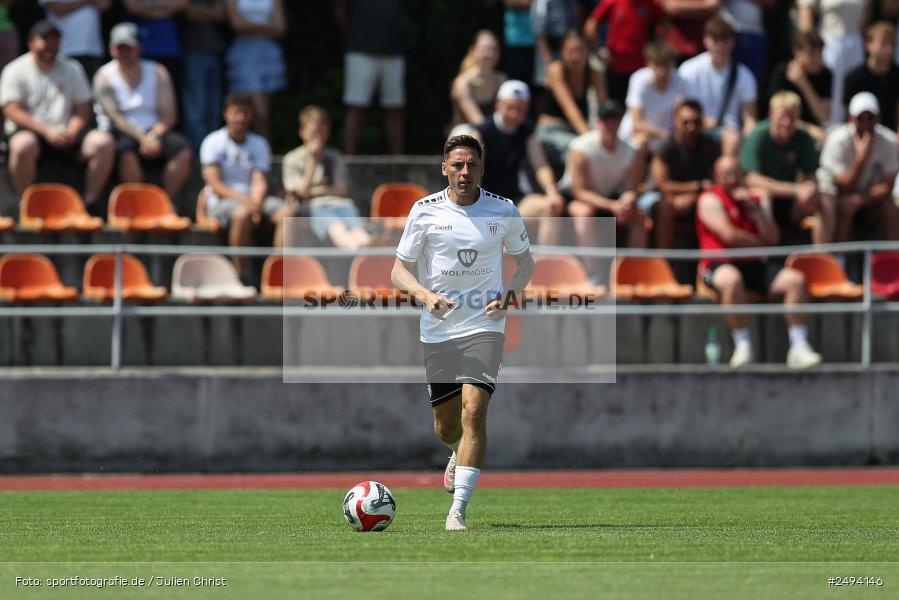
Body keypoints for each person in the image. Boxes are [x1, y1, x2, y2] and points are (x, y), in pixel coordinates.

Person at [390, 134, 535, 531]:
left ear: (482, 169)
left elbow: (525, 264)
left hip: (484, 326)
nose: (464, 172)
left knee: (475, 411)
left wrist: (509, 297)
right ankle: (456, 452)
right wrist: (423, 295)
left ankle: (458, 510)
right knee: (447, 427)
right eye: (457, 165)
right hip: (438, 329)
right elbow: (398, 271)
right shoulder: (423, 211)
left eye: (471, 164)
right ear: (445, 169)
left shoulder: (503, 210)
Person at [696, 155, 823, 369]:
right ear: (717, 177)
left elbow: (773, 237)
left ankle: (799, 346)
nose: (733, 179)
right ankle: (743, 346)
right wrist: (760, 244)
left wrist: (755, 210)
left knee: (796, 281)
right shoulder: (709, 199)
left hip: (754, 264)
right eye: (727, 175)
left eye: (737, 174)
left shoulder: (757, 199)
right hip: (719, 264)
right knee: (731, 279)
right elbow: (729, 236)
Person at [0, 20, 115, 210]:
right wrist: (46, 131)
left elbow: (83, 108)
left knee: (103, 142)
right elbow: (12, 110)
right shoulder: (15, 70)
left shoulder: (73, 68)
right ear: (30, 43)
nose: (50, 46)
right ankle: (26, 204)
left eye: (55, 40)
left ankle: (89, 203)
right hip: (32, 132)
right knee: (22, 145)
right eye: (45, 40)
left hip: (68, 133)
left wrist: (72, 130)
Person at [93, 23, 193, 200]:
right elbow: (114, 117)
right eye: (120, 48)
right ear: (111, 50)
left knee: (183, 150)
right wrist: (142, 138)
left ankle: (165, 202)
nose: (124, 53)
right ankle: (140, 204)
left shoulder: (158, 71)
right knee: (126, 153)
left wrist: (154, 135)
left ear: (139, 48)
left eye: (129, 48)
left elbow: (170, 114)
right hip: (122, 131)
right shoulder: (104, 76)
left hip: (155, 130)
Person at [200, 93, 291, 275]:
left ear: (251, 115)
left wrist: (256, 204)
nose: (240, 118)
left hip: (254, 200)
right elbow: (215, 185)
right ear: (226, 114)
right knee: (241, 215)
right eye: (236, 113)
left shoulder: (259, 144)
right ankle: (240, 274)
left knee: (287, 213)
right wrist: (249, 204)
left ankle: (278, 274)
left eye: (245, 113)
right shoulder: (212, 142)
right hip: (222, 203)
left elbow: (259, 181)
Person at [474, 80, 567, 244]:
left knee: (550, 207)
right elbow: (474, 172)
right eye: (511, 107)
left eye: (521, 108)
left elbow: (541, 165)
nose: (515, 113)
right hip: (485, 201)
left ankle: (545, 264)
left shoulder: (528, 131)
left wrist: (552, 191)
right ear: (498, 104)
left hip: (514, 201)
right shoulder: (481, 132)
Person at [740, 91, 835, 245]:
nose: (787, 123)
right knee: (761, 195)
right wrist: (795, 190)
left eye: (792, 117)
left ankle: (821, 257)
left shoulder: (802, 136)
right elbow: (752, 179)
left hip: (792, 203)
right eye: (782, 117)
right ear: (771, 114)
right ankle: (768, 252)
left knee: (824, 199)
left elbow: (811, 174)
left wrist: (810, 189)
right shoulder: (757, 135)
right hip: (766, 201)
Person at [558, 99, 648, 252]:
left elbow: (631, 188)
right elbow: (579, 192)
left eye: (614, 120)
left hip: (612, 200)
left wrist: (627, 201)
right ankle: (591, 271)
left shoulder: (633, 150)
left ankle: (635, 269)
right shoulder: (580, 148)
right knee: (584, 213)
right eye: (606, 120)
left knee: (639, 215)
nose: (610, 125)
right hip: (578, 200)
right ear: (598, 122)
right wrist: (612, 206)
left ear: (620, 122)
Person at [282, 106, 371, 249]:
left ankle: (372, 250)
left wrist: (316, 190)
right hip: (313, 208)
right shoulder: (292, 159)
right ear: (303, 132)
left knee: (361, 235)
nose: (319, 137)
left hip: (341, 204)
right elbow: (300, 194)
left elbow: (342, 190)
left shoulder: (334, 156)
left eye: (322, 131)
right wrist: (312, 160)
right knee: (341, 232)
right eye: (314, 132)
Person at [817, 92, 899, 242]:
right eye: (860, 118)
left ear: (878, 118)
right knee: (838, 204)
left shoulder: (889, 141)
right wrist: (862, 158)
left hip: (870, 201)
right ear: (850, 118)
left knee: (891, 208)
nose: (866, 124)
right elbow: (845, 187)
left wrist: (860, 200)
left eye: (870, 118)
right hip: (839, 198)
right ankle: (838, 258)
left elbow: (887, 187)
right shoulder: (837, 140)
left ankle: (892, 258)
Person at [643, 99, 722, 249]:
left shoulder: (710, 145)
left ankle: (712, 263)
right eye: (686, 122)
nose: (691, 127)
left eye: (696, 122)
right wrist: (696, 187)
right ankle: (663, 261)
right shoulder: (664, 146)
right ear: (675, 121)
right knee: (665, 206)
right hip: (657, 197)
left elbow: (715, 183)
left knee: (713, 203)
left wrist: (692, 197)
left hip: (697, 197)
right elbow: (663, 185)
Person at [678, 15, 758, 156]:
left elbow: (749, 118)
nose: (720, 46)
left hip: (729, 135)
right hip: (694, 129)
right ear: (706, 40)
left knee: (733, 140)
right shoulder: (688, 70)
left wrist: (750, 142)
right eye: (715, 40)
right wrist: (701, 123)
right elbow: (678, 109)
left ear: (733, 42)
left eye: (725, 40)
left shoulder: (745, 76)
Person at [337, 0, 405, 155]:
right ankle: (349, 160)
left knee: (394, 108)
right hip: (360, 51)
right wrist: (354, 37)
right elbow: (341, 11)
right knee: (355, 106)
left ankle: (399, 161)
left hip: (393, 51)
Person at [536, 30, 605, 175]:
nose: (576, 56)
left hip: (577, 132)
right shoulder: (556, 70)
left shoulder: (594, 73)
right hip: (552, 131)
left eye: (580, 50)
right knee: (583, 152)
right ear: (562, 53)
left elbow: (604, 109)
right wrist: (592, 140)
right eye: (570, 51)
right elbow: (569, 109)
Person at [797, 0, 868, 124]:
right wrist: (810, 46)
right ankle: (830, 129)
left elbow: (865, 17)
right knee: (834, 92)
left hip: (855, 44)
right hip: (830, 43)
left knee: (856, 89)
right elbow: (806, 13)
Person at [224, 0, 286, 140]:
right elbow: (237, 24)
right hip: (244, 55)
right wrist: (269, 28)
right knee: (257, 110)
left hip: (268, 54)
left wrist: (249, 26)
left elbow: (280, 27)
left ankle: (263, 152)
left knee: (264, 114)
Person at [582, 0, 663, 103]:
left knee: (640, 104)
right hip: (616, 67)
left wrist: (657, 49)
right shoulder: (612, 2)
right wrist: (597, 52)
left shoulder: (649, 3)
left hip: (641, 67)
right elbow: (591, 26)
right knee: (615, 109)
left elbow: (664, 20)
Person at [619, 41, 686, 155]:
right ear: (649, 64)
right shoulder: (639, 79)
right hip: (634, 137)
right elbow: (637, 124)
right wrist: (665, 134)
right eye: (657, 66)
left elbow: (680, 114)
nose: (662, 72)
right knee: (642, 141)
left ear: (672, 64)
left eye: (666, 66)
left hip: (664, 142)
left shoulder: (680, 81)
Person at [768, 31, 833, 144]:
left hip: (815, 130)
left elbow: (824, 116)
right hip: (785, 127)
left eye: (820, 54)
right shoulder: (781, 73)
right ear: (797, 52)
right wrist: (810, 130)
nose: (817, 59)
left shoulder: (825, 74)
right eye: (811, 54)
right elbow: (777, 115)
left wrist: (804, 83)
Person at [181, 0, 228, 152]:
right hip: (192, 51)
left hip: (215, 51)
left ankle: (211, 153)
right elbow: (186, 11)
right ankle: (199, 155)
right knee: (195, 109)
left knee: (213, 110)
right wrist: (210, 13)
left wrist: (198, 11)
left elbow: (222, 14)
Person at [843, 21, 899, 131]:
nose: (889, 50)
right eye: (883, 44)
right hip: (860, 134)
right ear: (868, 44)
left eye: (891, 44)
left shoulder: (897, 76)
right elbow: (849, 116)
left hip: (891, 139)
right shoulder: (854, 77)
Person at [39, 0, 110, 81]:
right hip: (62, 50)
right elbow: (58, 10)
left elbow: (105, 4)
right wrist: (86, 2)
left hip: (91, 49)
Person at [449, 30, 507, 128]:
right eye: (485, 49)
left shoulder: (501, 80)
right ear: (472, 51)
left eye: (494, 49)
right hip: (465, 138)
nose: (490, 54)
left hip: (492, 134)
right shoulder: (463, 82)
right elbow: (476, 120)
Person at [658, 0, 723, 63]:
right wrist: (706, 6)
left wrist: (682, 8)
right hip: (674, 51)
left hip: (706, 49)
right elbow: (671, 7)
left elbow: (714, 5)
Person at [501, 0, 535, 86]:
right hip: (516, 42)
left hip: (538, 42)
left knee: (535, 84)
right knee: (516, 81)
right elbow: (511, 2)